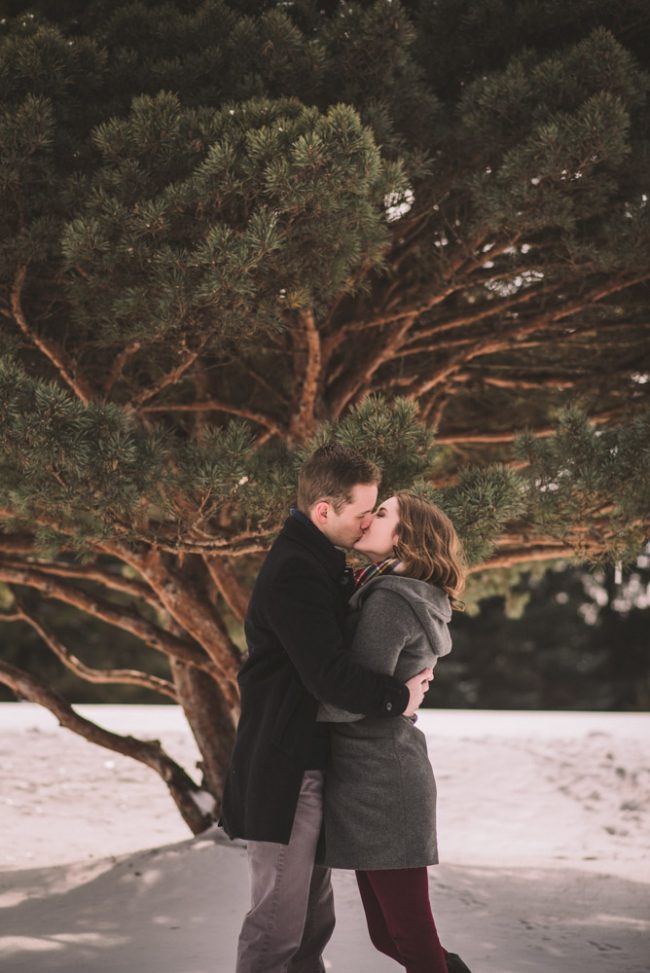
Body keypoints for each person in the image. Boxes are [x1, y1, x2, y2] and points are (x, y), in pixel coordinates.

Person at [220, 446, 433, 973]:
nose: (367, 522)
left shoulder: (321, 563)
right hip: (287, 764)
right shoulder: (297, 571)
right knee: (278, 929)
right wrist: (397, 699)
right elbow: (329, 677)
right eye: (363, 512)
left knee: (311, 928)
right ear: (323, 511)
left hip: (310, 763)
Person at [318, 491, 473, 973]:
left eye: (381, 513)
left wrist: (293, 704)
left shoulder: (390, 599)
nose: (368, 518)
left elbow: (350, 702)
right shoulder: (398, 591)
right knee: (391, 938)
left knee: (412, 942)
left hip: (383, 783)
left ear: (405, 536)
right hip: (376, 776)